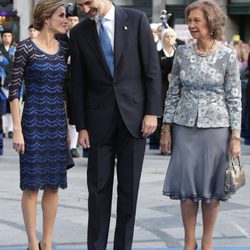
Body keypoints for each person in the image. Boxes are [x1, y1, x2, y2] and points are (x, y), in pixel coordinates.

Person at [70, 0, 162, 249]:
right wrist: (81, 126)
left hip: (135, 121)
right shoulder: (79, 32)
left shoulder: (136, 20)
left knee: (128, 192)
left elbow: (151, 69)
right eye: (80, 5)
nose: (84, 9)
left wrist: (152, 112)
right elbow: (76, 82)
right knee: (97, 193)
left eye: (87, 3)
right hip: (98, 124)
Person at [160, 1, 241, 250]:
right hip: (184, 128)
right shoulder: (182, 54)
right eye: (190, 21)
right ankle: (188, 241)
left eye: (197, 20)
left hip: (217, 129)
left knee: (211, 189)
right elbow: (173, 93)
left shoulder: (227, 55)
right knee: (186, 188)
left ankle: (207, 241)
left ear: (211, 22)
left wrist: (235, 136)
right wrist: (166, 127)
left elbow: (234, 96)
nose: (192, 26)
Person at [9, 1, 68, 250]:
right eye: (62, 15)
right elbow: (14, 92)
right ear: (46, 18)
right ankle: (33, 243)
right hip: (32, 122)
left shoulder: (64, 49)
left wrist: (67, 127)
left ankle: (48, 241)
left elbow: (66, 91)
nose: (66, 19)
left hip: (56, 122)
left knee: (53, 186)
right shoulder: (25, 48)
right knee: (32, 185)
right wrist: (18, 129)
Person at [57, 2, 80, 158]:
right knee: (59, 112)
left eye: (74, 20)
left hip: (75, 80)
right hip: (60, 78)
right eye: (69, 20)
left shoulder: (83, 35)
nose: (71, 23)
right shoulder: (58, 37)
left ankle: (72, 146)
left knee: (74, 112)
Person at [0, 29, 16, 139]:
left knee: (13, 106)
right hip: (2, 81)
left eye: (9, 36)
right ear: (1, 38)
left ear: (12, 37)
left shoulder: (15, 49)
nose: (7, 38)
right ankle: (4, 128)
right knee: (3, 105)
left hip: (14, 80)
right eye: (4, 36)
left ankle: (11, 129)